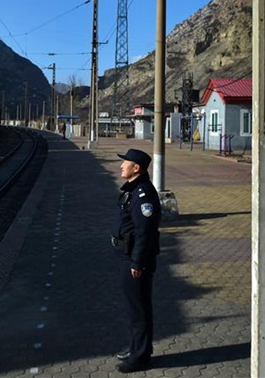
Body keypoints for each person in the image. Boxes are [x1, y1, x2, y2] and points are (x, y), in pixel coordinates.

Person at [112, 148, 161, 373]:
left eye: (126, 163)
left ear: (136, 168)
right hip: (129, 256)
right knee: (135, 308)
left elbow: (145, 233)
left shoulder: (144, 195)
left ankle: (140, 357)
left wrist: (137, 263)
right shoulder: (134, 190)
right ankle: (136, 347)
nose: (121, 166)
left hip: (135, 260)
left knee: (138, 310)